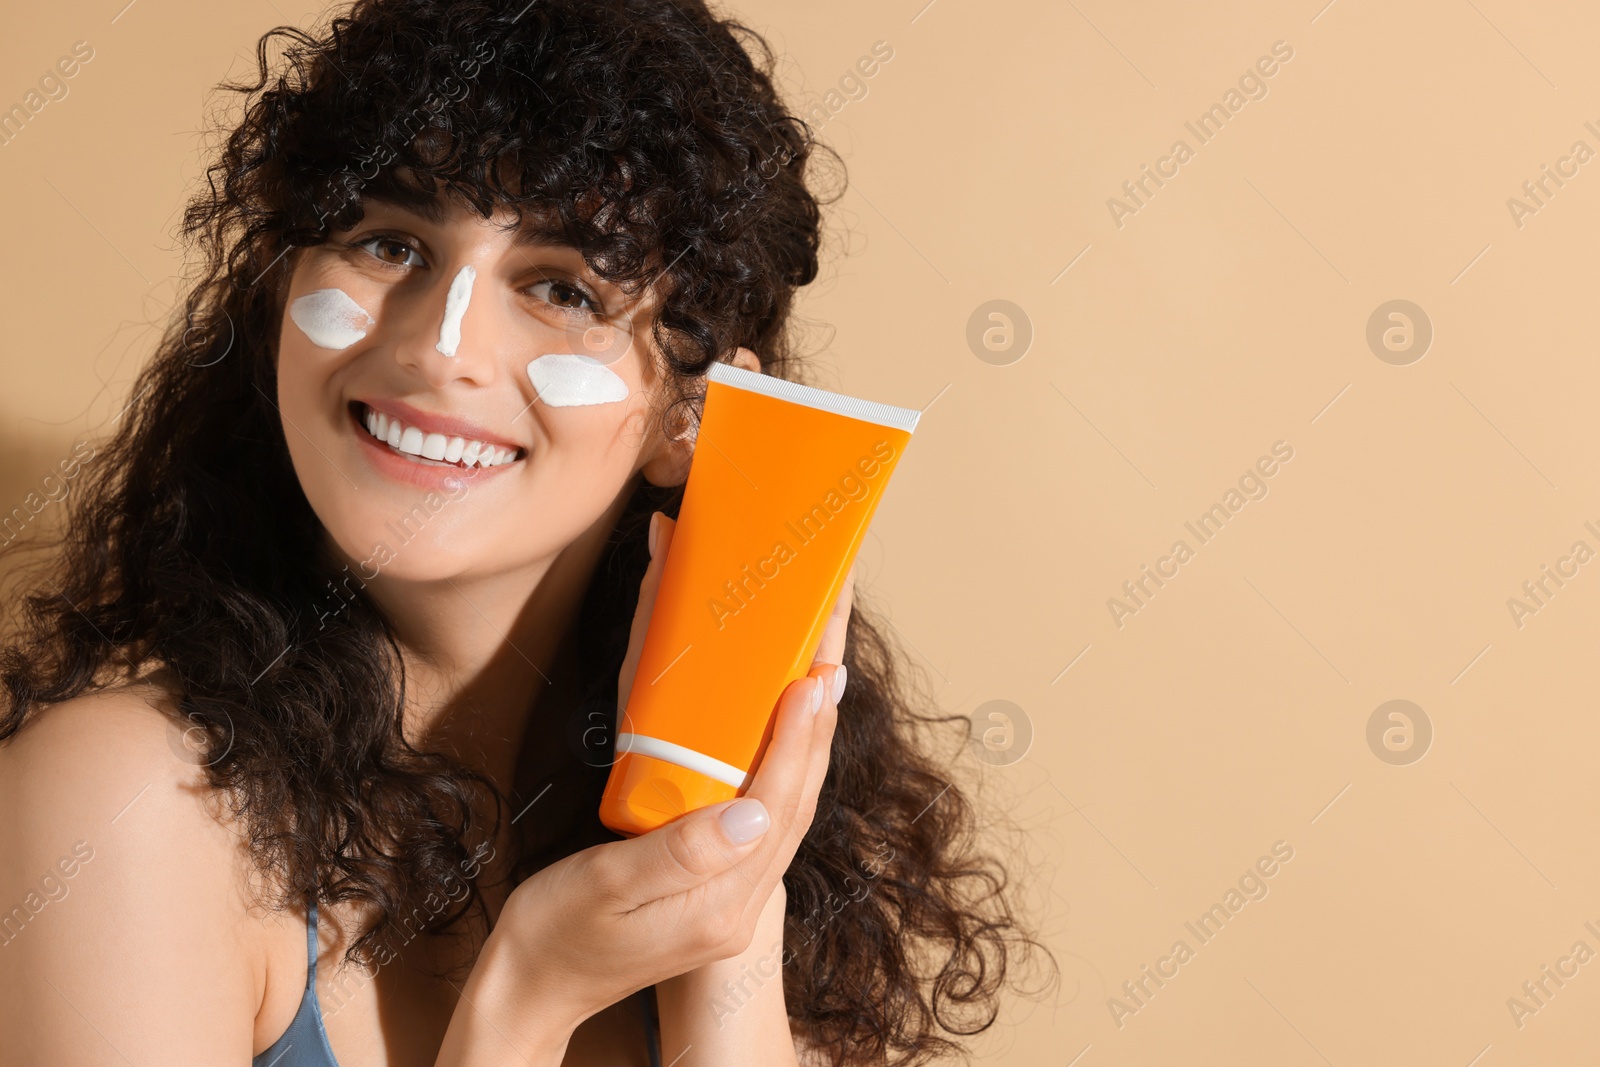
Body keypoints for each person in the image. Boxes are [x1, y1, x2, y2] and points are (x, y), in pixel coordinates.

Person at [0, 0, 1049, 1063]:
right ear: (279, 299)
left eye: (560, 286)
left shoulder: (787, 885)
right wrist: (526, 1002)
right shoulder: (119, 809)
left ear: (694, 416)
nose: (439, 347)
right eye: (389, 241)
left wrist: (725, 910)